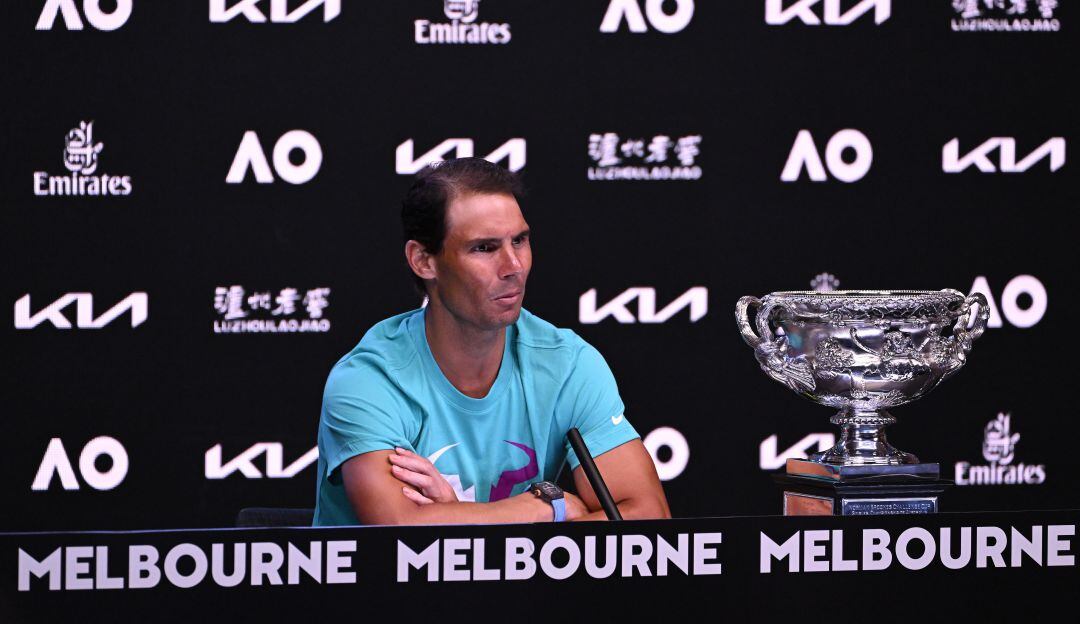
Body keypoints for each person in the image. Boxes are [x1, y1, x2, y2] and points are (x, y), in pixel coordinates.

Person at [313, 157, 670, 525]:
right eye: (484, 248)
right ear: (423, 260)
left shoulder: (568, 364)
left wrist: (457, 516)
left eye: (520, 240)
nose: (513, 266)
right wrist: (548, 506)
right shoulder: (369, 380)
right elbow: (401, 533)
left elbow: (647, 518)